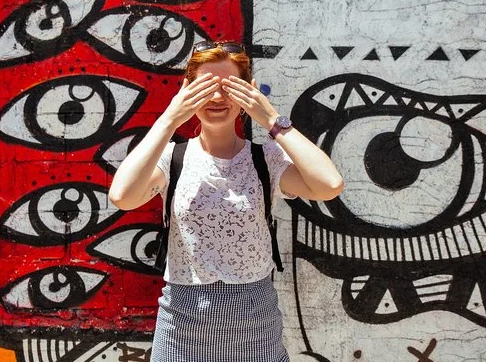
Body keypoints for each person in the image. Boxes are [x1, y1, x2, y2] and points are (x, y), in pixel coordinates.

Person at [108, 40, 344, 362]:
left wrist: (272, 119)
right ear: (186, 90)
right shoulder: (172, 158)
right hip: (180, 334)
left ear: (249, 90)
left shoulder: (266, 159)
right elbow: (122, 196)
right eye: (206, 86)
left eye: (229, 87)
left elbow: (330, 185)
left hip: (257, 334)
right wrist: (169, 119)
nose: (217, 97)